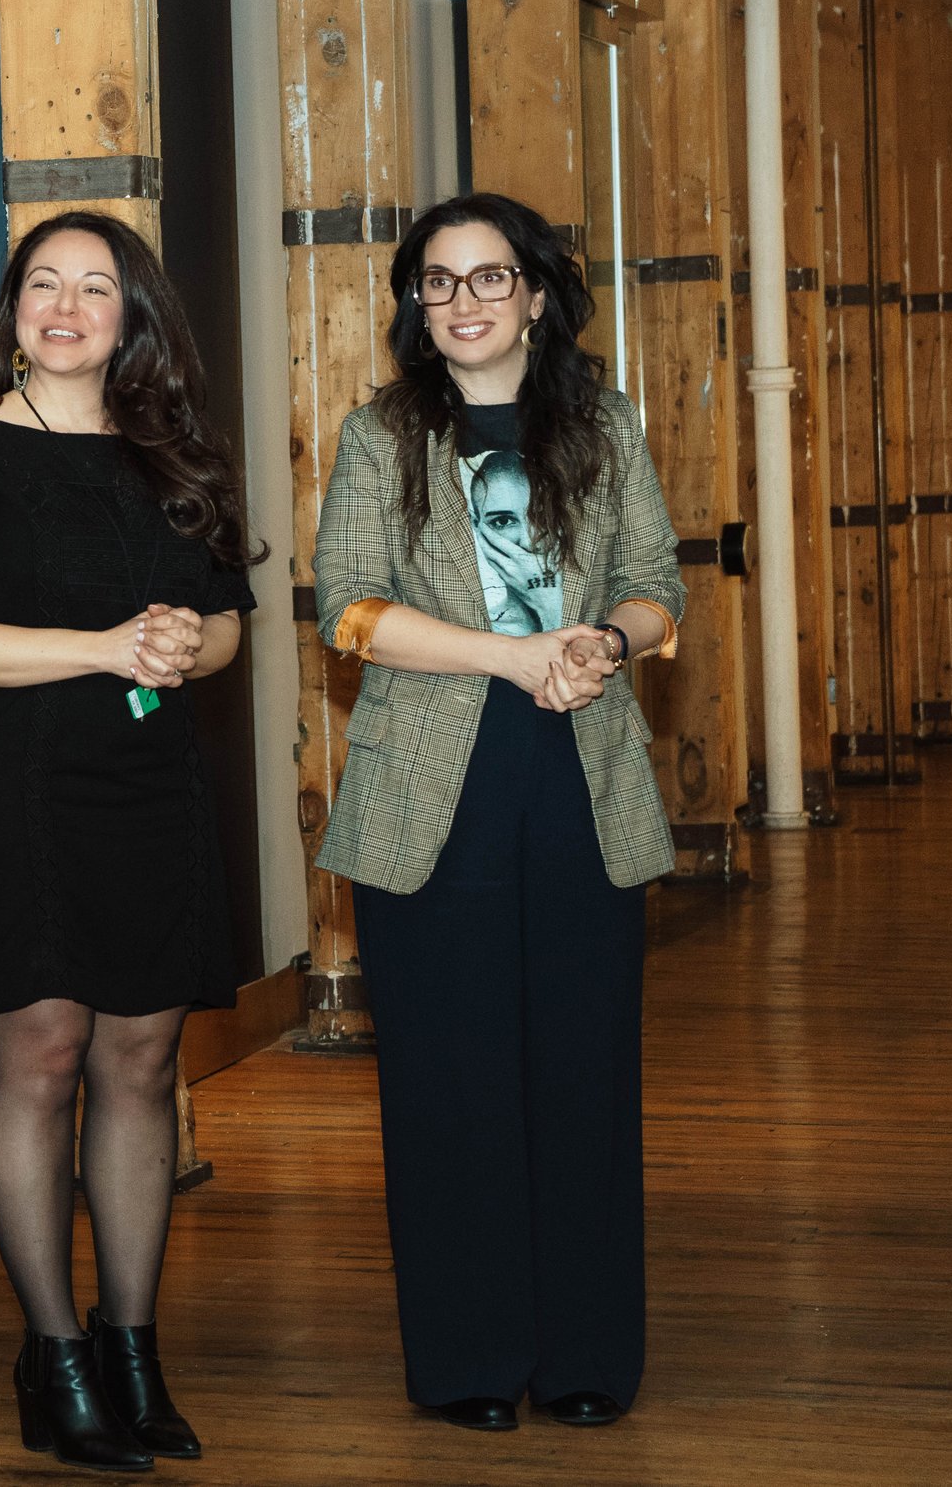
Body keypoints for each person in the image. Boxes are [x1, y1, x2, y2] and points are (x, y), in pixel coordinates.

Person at [310, 192, 684, 1432]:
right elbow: (348, 610)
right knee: (447, 1079)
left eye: (488, 277)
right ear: (417, 304)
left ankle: (585, 1352)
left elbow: (654, 587)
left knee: (581, 1071)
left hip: (582, 777)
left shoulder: (607, 422)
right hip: (433, 786)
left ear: (534, 293)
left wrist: (603, 644)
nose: (463, 301)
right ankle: (469, 1356)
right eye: (438, 282)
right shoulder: (379, 435)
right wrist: (506, 656)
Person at [0, 211, 261, 1473]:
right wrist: (106, 647)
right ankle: (52, 1353)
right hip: (13, 792)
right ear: (14, 309)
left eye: (93, 287)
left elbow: (224, 622)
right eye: (42, 284)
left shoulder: (175, 455)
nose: (65, 306)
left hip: (147, 785)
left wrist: (177, 645)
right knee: (41, 1057)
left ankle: (132, 1343)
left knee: (144, 1059)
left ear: (131, 315)